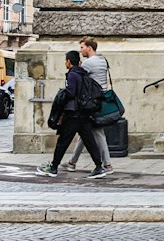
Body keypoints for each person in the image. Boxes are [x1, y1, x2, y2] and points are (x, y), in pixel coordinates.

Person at [36, 49, 108, 178]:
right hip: (84, 114)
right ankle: (98, 167)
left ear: (69, 61)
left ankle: (53, 167)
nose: (65, 63)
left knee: (63, 141)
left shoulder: (72, 75)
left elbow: (71, 93)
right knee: (89, 141)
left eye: (66, 61)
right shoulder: (83, 74)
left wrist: (62, 95)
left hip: (73, 114)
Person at [63, 36, 114, 174]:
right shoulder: (103, 60)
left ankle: (107, 165)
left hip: (92, 101)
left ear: (89, 48)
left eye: (82, 47)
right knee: (84, 131)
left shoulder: (88, 64)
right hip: (100, 99)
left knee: (98, 132)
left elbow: (76, 75)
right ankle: (72, 162)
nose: (80, 51)